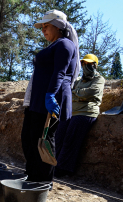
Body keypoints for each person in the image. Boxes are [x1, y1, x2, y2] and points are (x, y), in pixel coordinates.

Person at [21, 9, 80, 183]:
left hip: (51, 101)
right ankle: (32, 177)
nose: (43, 30)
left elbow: (60, 73)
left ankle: (44, 182)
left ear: (58, 26)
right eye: (42, 27)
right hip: (38, 101)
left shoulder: (65, 44)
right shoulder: (54, 45)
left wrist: (50, 95)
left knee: (44, 141)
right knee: (29, 139)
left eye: (46, 26)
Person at [54, 54, 105, 177]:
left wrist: (76, 93)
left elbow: (91, 92)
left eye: (88, 64)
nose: (85, 66)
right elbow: (68, 92)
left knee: (70, 139)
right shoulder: (78, 80)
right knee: (59, 136)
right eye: (83, 64)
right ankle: (53, 164)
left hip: (86, 113)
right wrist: (80, 95)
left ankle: (64, 169)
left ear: (95, 65)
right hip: (71, 112)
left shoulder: (99, 79)